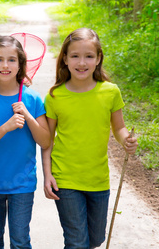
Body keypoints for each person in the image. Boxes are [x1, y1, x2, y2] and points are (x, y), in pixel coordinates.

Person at [42, 28, 138, 249]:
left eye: (89, 56)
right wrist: (47, 174)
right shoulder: (55, 96)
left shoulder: (110, 92)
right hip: (65, 179)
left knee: (94, 240)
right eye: (75, 56)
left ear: (98, 59)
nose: (81, 62)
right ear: (65, 59)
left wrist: (127, 141)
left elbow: (119, 128)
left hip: (98, 179)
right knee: (77, 242)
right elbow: (47, 141)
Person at [0, 35, 51, 249]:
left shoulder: (32, 99)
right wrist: (6, 127)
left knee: (20, 241)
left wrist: (27, 114)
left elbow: (45, 141)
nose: (5, 65)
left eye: (11, 60)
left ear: (21, 64)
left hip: (22, 184)